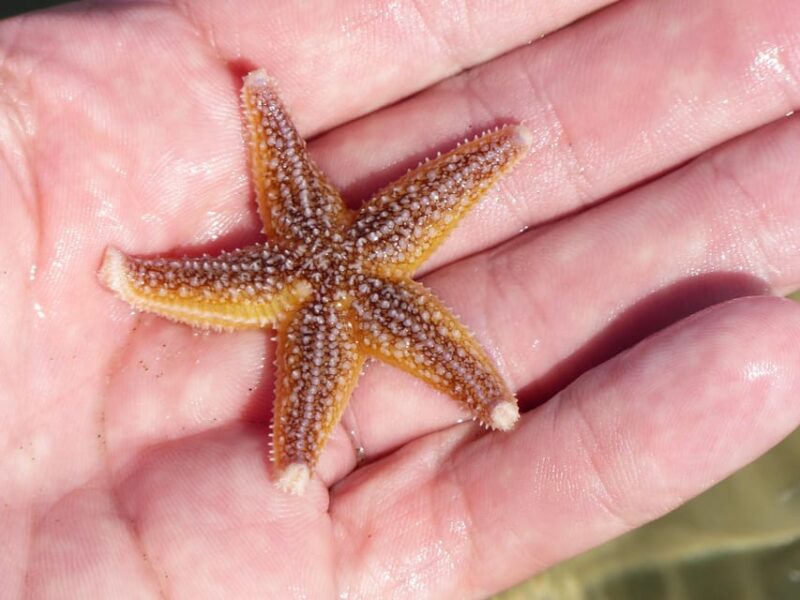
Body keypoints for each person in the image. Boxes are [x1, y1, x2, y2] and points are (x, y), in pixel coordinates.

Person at [1, 0, 799, 597]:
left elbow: (404, 212)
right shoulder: (320, 259)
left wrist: (487, 387)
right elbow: (280, 202)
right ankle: (322, 444)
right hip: (340, 271)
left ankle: (446, 411)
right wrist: (140, 279)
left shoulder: (337, 258)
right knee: (324, 391)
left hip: (344, 268)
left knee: (433, 354)